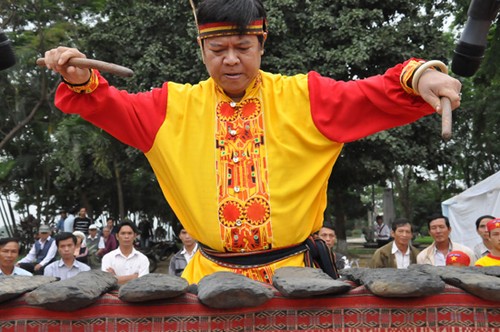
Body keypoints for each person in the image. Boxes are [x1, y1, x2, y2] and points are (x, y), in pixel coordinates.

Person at [41, 0, 461, 285]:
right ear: (201, 48)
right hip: (209, 281)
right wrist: (79, 78)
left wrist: (422, 75)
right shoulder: (170, 108)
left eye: (242, 46)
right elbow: (106, 104)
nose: (230, 59)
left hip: (297, 279)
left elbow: (377, 92)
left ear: (262, 44)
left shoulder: (306, 97)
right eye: (217, 48)